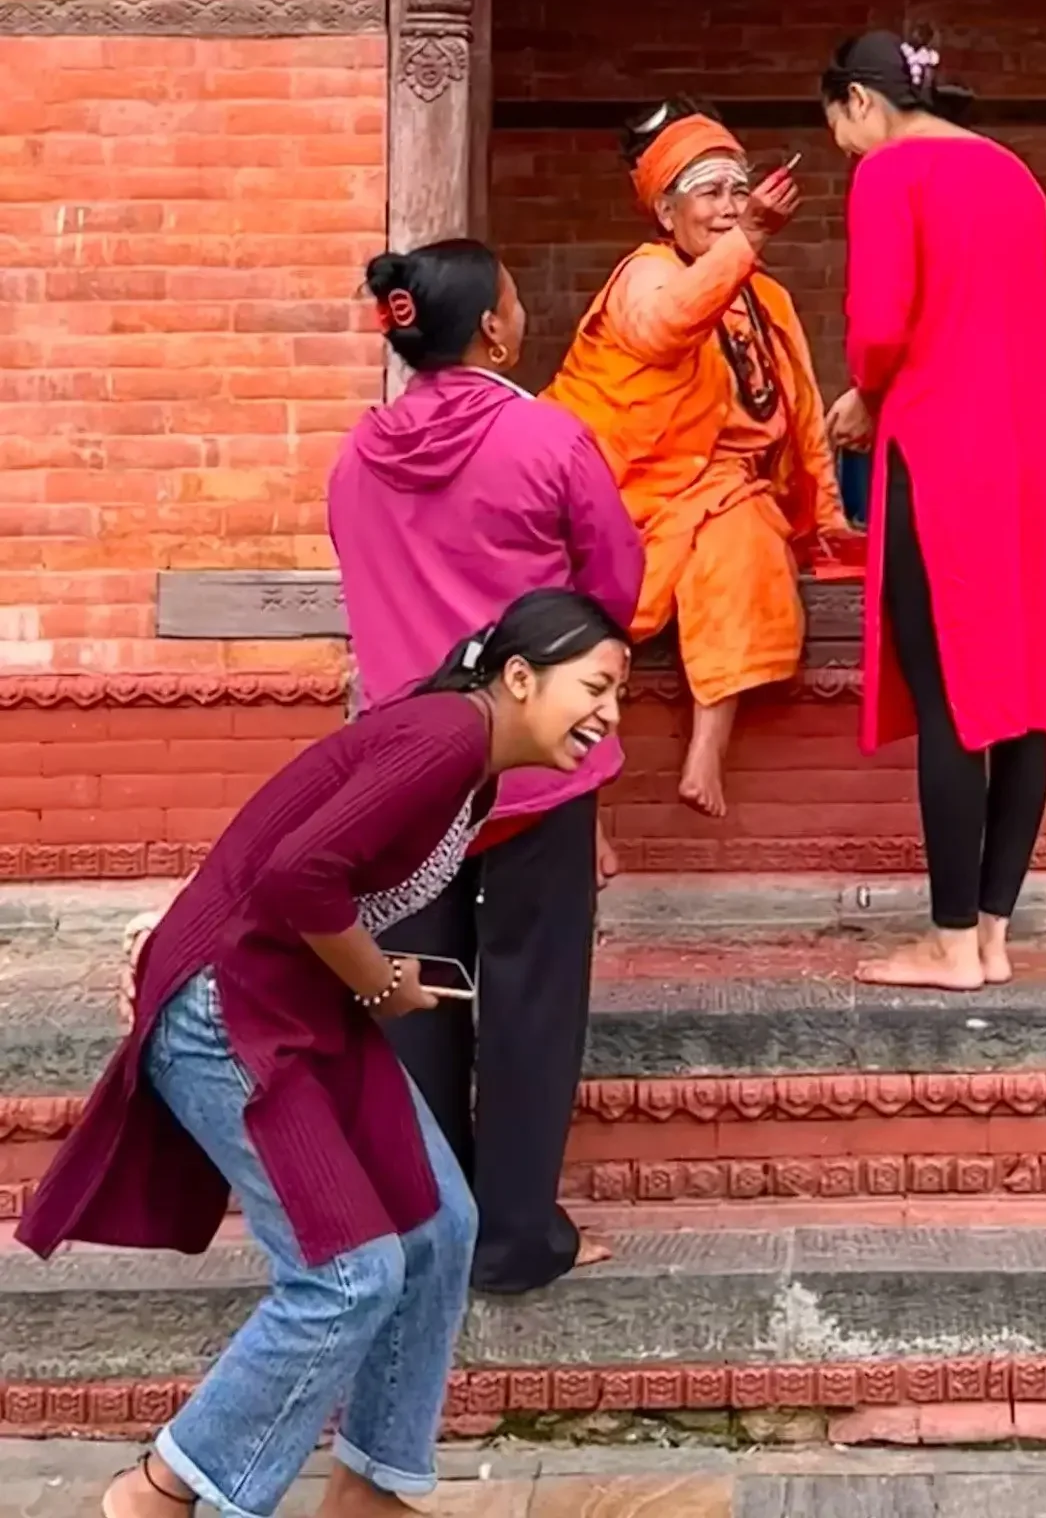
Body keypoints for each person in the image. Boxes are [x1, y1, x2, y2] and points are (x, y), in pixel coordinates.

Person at [20, 591, 631, 1518]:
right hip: (233, 1013)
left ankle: (369, 1489)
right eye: (596, 686)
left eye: (619, 695)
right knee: (349, 1274)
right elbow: (298, 872)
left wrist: (219, 922)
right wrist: (378, 984)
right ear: (519, 676)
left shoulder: (469, 762)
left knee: (440, 1229)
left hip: (301, 1003)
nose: (611, 715)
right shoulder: (447, 741)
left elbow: (293, 822)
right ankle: (162, 1490)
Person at [327, 237, 644, 1293]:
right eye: (514, 298)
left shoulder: (357, 456)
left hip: (406, 773)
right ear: (496, 328)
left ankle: (428, 1230)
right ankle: (513, 1238)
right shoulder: (550, 439)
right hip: (532, 764)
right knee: (530, 996)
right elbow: (613, 588)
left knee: (413, 994)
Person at [822, 32, 1046, 992]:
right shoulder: (1013, 172)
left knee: (951, 701)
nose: (845, 145)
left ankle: (952, 943)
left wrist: (862, 391)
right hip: (1028, 458)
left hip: (940, 453)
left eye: (840, 125)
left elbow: (882, 325)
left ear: (858, 101)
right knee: (1018, 699)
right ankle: (996, 934)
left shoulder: (893, 174)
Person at [546, 98, 847, 818]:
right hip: (632, 493)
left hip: (725, 492)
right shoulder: (643, 275)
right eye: (709, 194)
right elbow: (662, 332)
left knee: (743, 550)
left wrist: (826, 514)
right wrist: (746, 240)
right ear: (665, 214)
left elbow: (802, 411)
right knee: (590, 629)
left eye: (739, 191)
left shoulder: (764, 294)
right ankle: (580, 815)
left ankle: (705, 750)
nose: (727, 209)